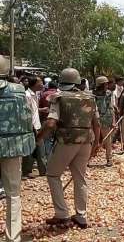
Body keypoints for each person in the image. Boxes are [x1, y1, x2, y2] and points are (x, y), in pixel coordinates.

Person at [36, 68, 100, 229]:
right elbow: (97, 123)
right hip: (86, 141)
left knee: (52, 174)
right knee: (80, 178)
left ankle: (62, 214)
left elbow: (51, 123)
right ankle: (81, 216)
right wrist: (97, 143)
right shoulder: (90, 98)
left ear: (61, 81)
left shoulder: (59, 98)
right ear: (78, 81)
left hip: (66, 141)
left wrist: (38, 138)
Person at [0, 55, 36, 242]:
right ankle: (12, 237)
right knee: (13, 193)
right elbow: (26, 118)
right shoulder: (19, 90)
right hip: (12, 147)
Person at [23, 76, 47, 178]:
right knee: (37, 150)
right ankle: (41, 171)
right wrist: (33, 128)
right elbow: (27, 114)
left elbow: (33, 110)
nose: (42, 84)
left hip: (37, 125)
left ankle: (39, 171)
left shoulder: (35, 94)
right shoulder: (27, 95)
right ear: (35, 84)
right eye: (40, 82)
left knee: (35, 149)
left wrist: (41, 110)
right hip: (32, 127)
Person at [93, 76, 116, 167]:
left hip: (106, 119)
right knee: (92, 140)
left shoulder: (108, 94)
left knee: (107, 141)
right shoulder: (92, 95)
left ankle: (109, 159)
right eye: (105, 84)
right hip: (94, 119)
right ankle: (88, 158)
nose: (107, 85)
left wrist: (113, 121)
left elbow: (110, 107)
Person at [39, 81, 58, 160]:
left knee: (47, 140)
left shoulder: (43, 94)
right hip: (57, 121)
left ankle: (48, 158)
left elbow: (40, 106)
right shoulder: (59, 94)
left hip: (46, 120)